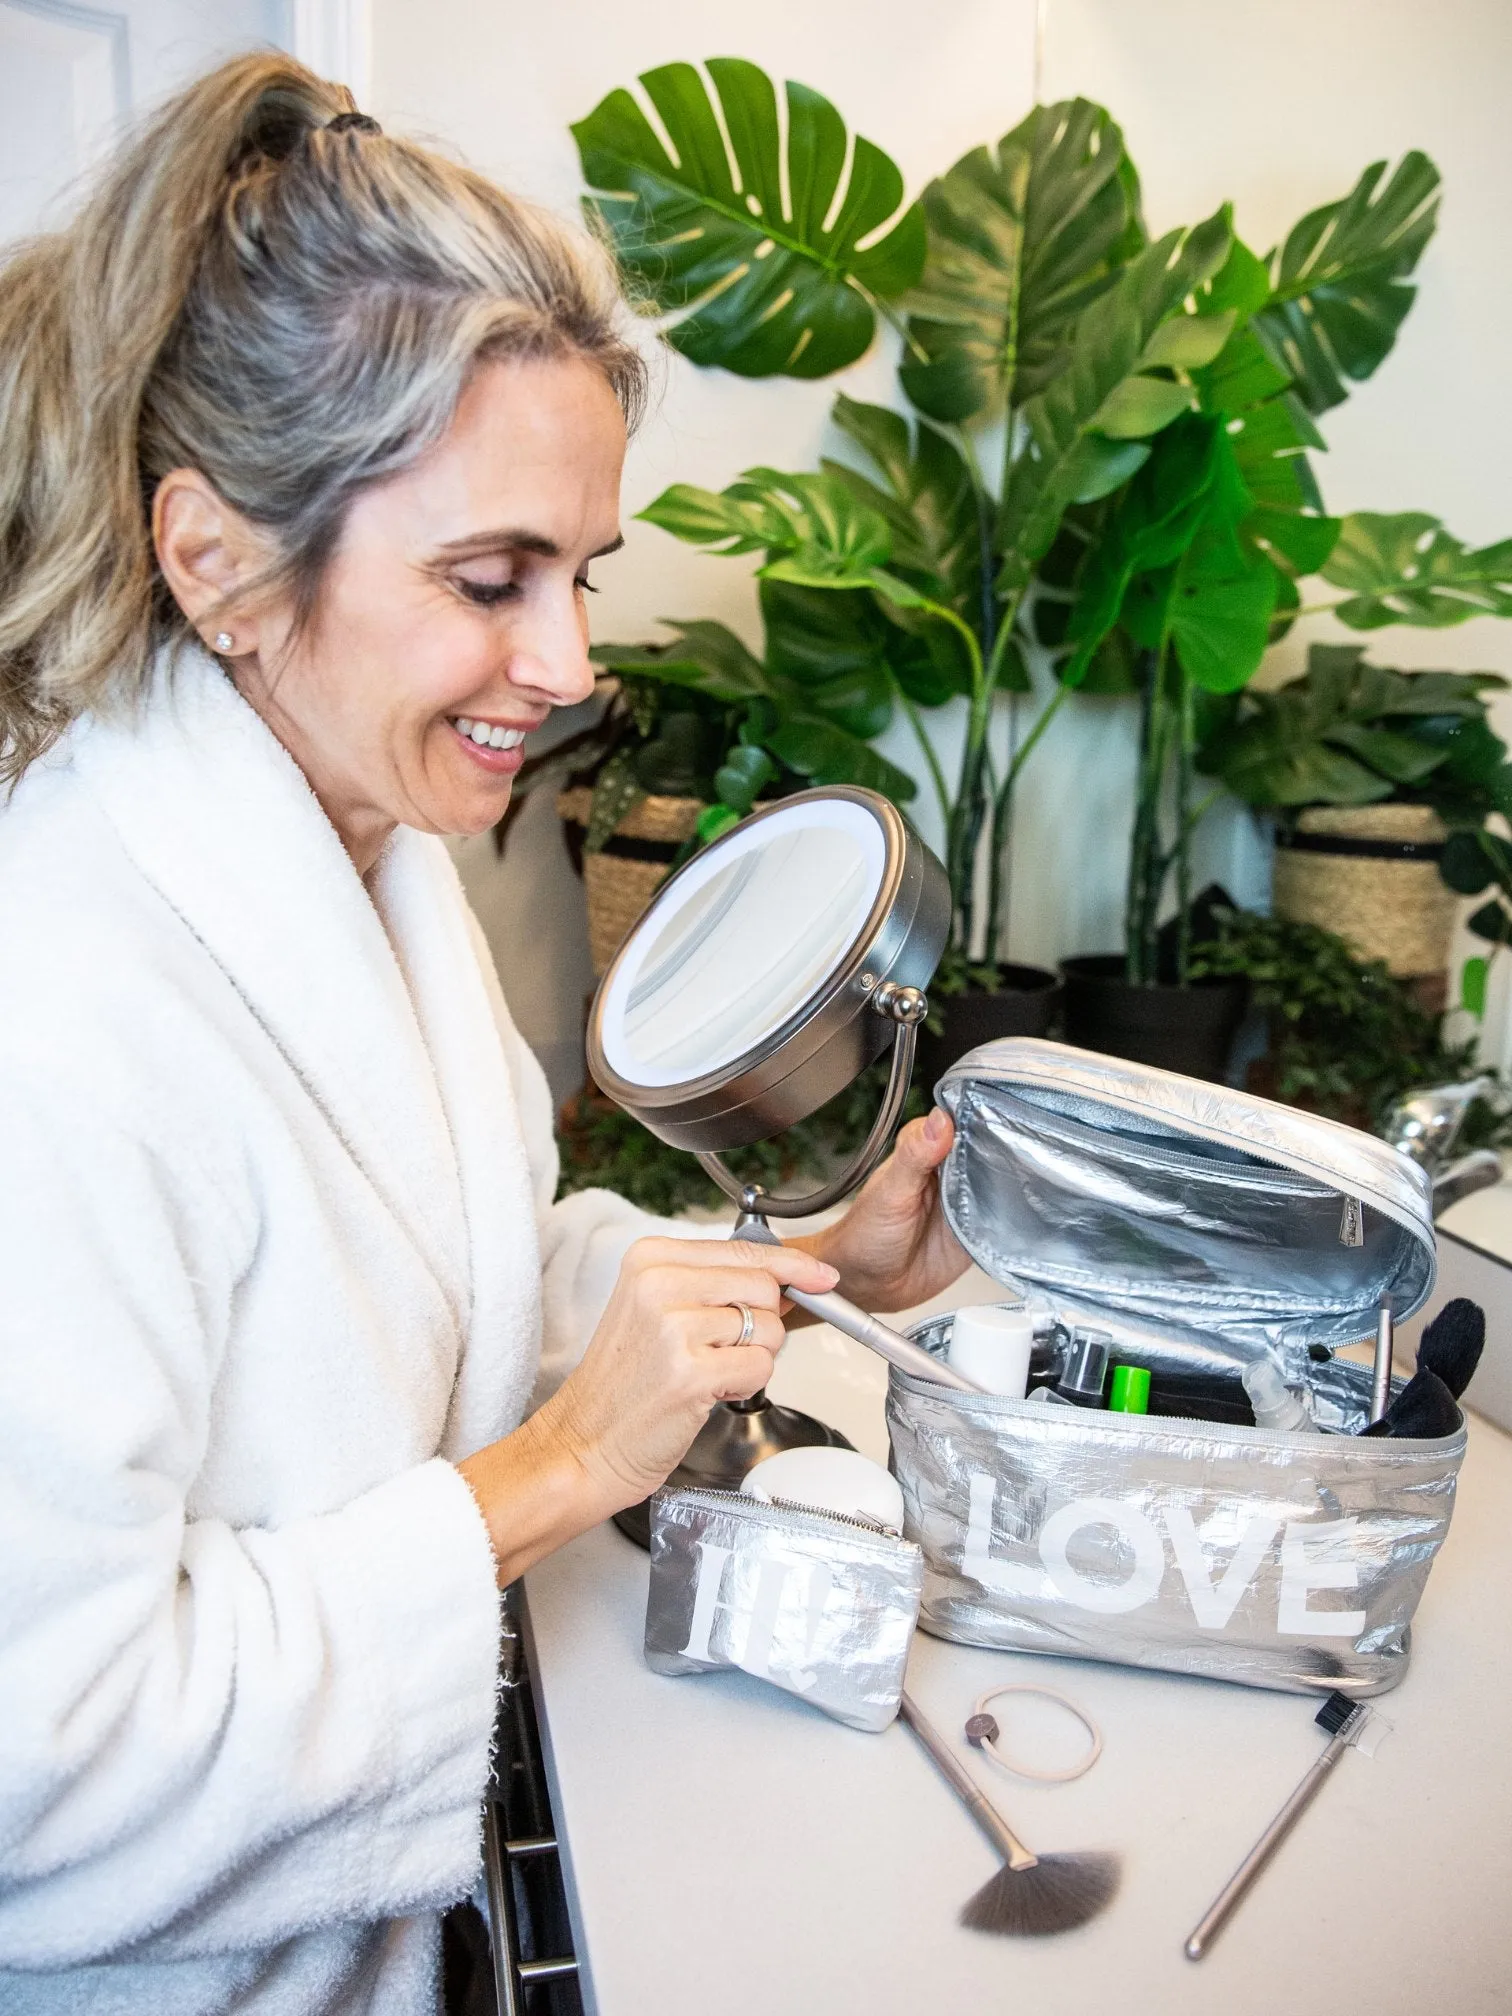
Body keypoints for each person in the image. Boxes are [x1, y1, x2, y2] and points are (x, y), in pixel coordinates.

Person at [0, 51, 968, 2016]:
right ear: (216, 561)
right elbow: (47, 1770)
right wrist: (548, 1471)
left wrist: (783, 1268)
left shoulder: (363, 858)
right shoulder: (66, 1013)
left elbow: (456, 1283)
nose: (570, 665)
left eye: (580, 573)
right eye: (488, 578)